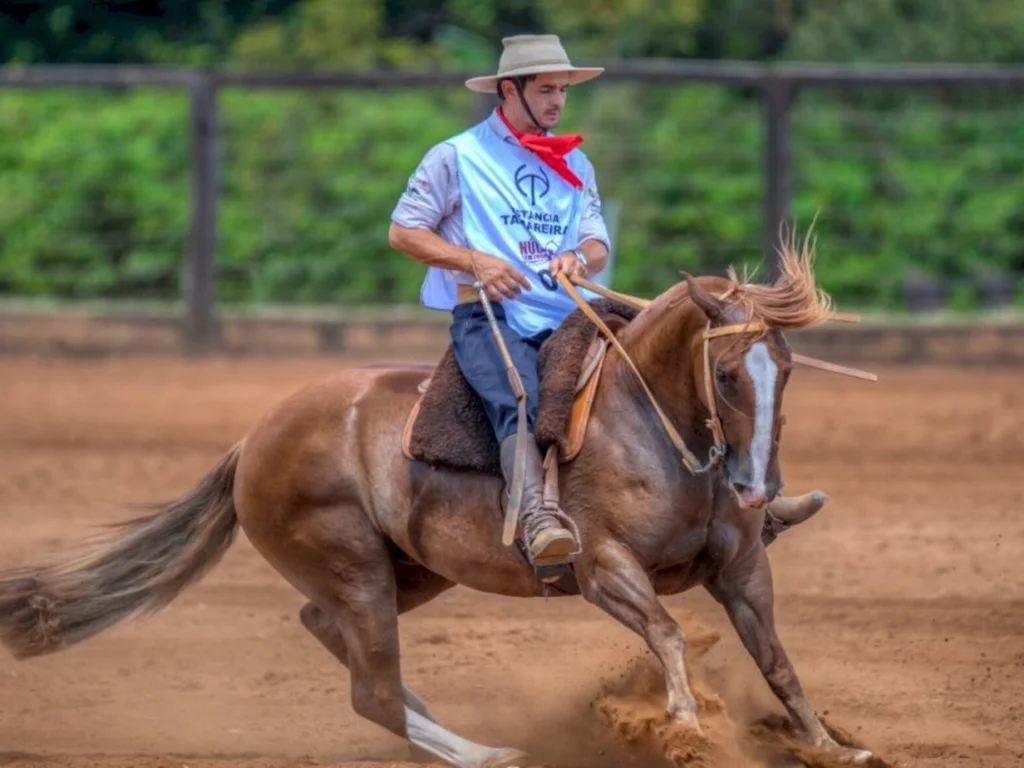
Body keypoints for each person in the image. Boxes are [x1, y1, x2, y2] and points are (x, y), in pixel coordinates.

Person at [388, 34, 610, 568]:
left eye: (564, 90)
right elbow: (403, 233)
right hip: (487, 314)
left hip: (566, 315)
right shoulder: (456, 156)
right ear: (509, 89)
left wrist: (580, 258)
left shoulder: (577, 162)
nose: (559, 101)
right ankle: (535, 517)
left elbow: (597, 242)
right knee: (521, 396)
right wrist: (475, 262)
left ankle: (726, 500)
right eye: (547, 89)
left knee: (651, 369)